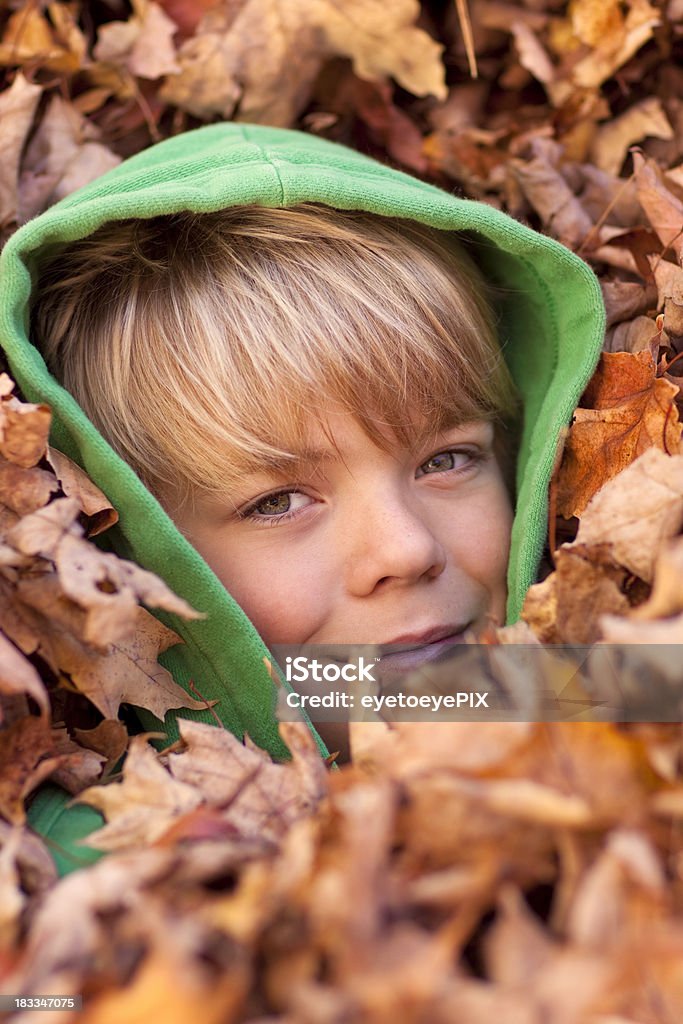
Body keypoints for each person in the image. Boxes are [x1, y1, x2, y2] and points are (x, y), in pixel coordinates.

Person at [0, 123, 605, 874]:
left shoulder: (619, 703)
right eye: (277, 502)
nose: (405, 550)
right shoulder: (76, 873)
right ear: (120, 557)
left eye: (446, 459)